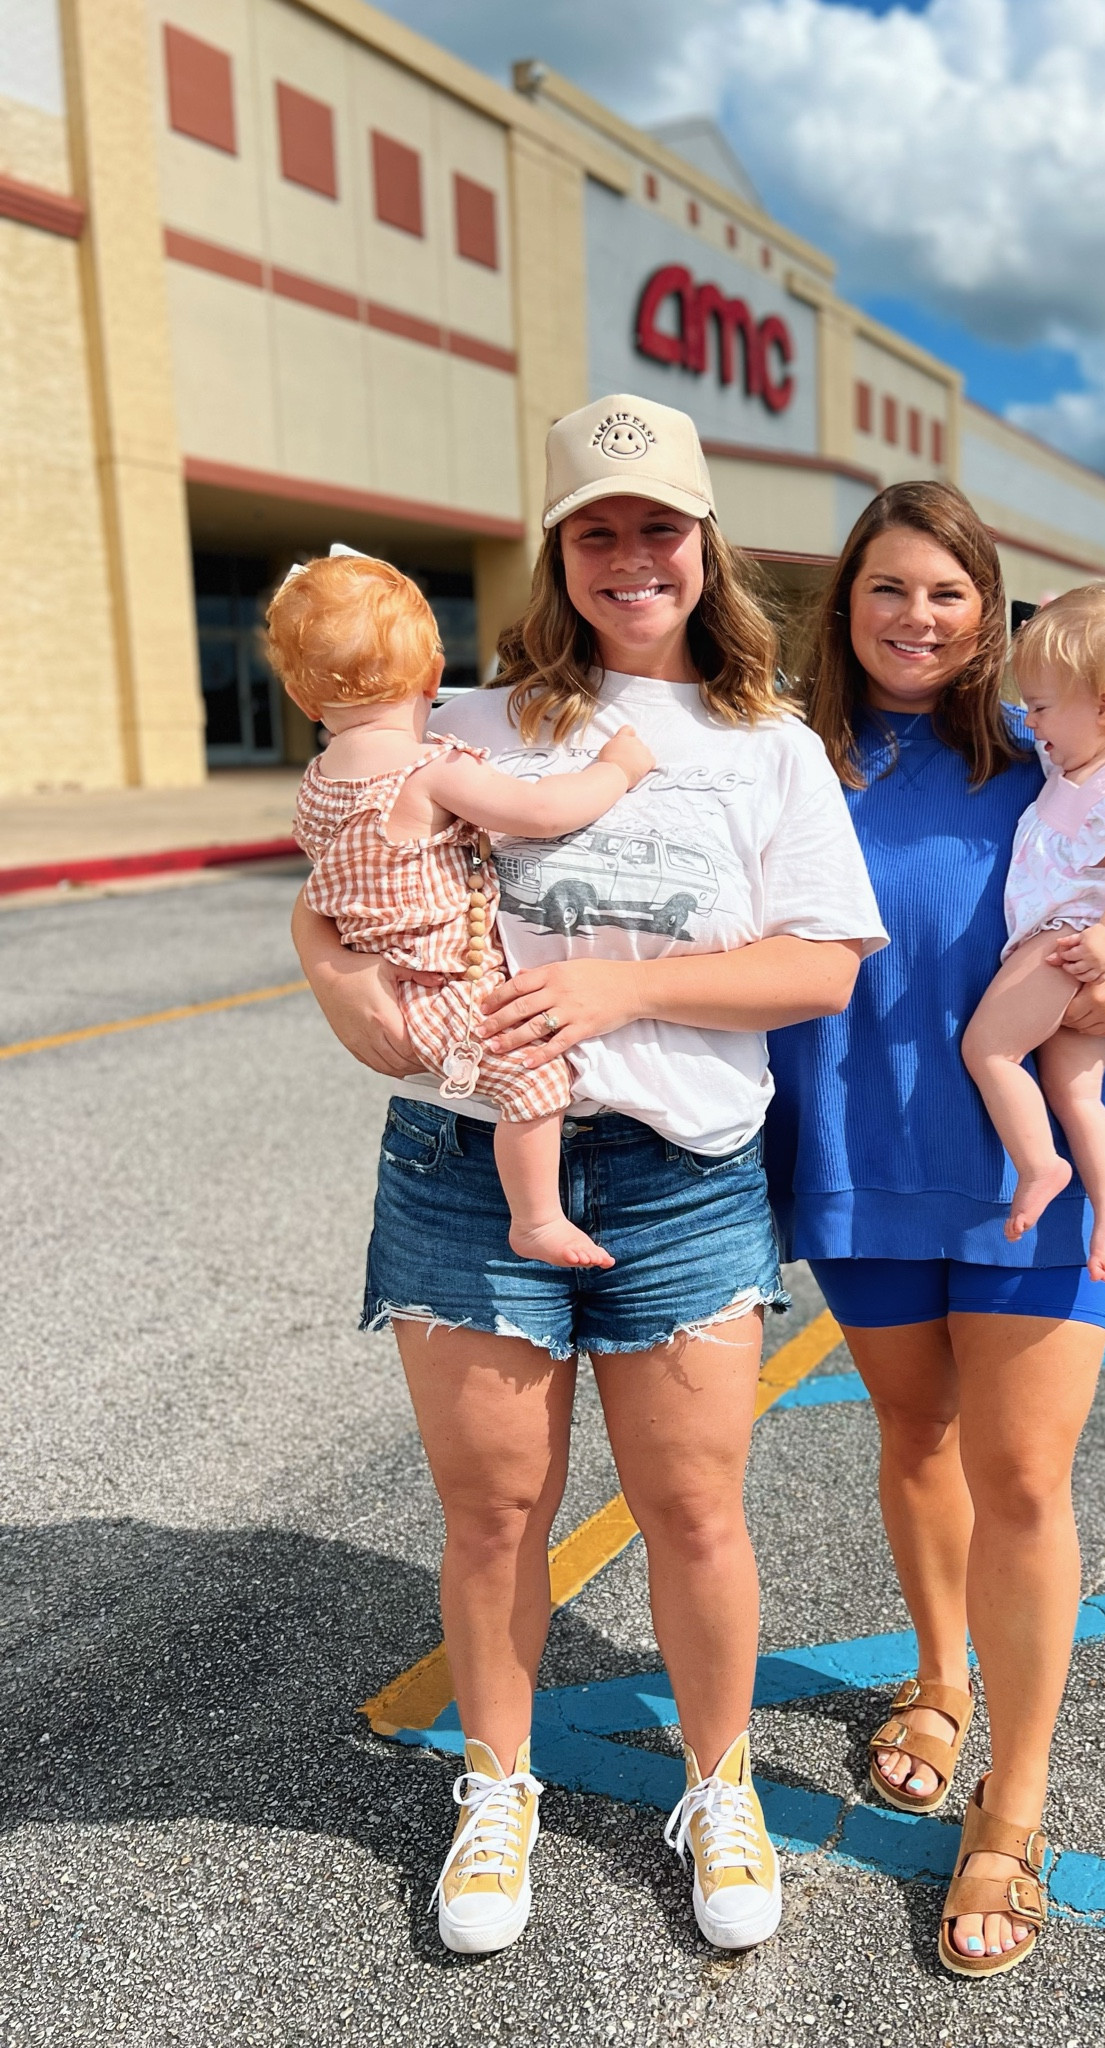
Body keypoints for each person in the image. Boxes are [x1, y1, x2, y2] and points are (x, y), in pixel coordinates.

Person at [291, 394, 887, 1957]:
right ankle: (498, 1791)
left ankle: (720, 1782)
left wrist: (624, 994)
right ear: (558, 552)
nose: (632, 556)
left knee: (694, 1510)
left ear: (705, 548)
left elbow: (821, 969)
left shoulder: (767, 750)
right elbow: (344, 888)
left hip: (685, 1172)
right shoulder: (471, 727)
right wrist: (339, 989)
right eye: (597, 529)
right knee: (493, 1512)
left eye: (659, 527)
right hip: (466, 1166)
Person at [766, 481, 1105, 1979]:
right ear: (845, 605)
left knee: (1020, 1474)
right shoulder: (792, 758)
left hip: (1032, 1172)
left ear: (991, 612)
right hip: (859, 1159)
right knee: (912, 1442)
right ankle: (938, 1681)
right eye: (886, 589)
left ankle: (1010, 1808)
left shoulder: (1044, 739)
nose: (914, 618)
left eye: (946, 594)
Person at [273, 545, 655, 1269]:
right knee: (539, 1081)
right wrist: (617, 768)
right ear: (432, 677)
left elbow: (326, 887)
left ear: (301, 699)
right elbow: (543, 810)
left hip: (388, 990)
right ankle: (536, 1218)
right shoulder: (428, 769)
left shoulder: (318, 782)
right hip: (448, 987)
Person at [961, 583, 1105, 1279]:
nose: (1030, 723)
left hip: (1066, 942)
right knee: (1074, 1092)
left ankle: (1039, 1166)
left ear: (1104, 705)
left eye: (1039, 706)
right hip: (1071, 940)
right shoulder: (1080, 759)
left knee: (991, 1051)